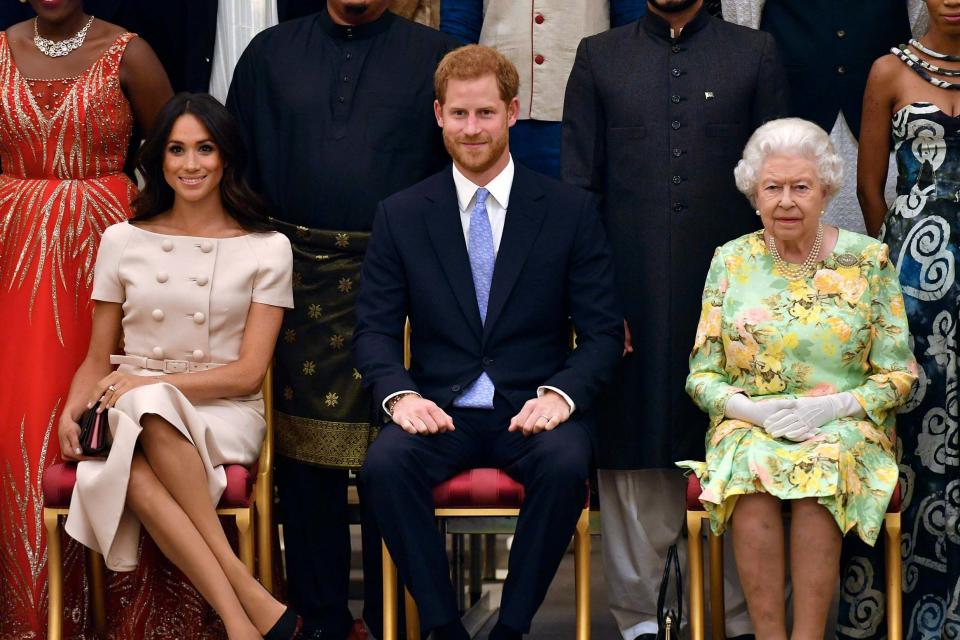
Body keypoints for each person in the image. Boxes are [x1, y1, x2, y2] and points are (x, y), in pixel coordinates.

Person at [354, 45, 623, 640]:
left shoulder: (568, 210)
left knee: (566, 463)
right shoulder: (401, 214)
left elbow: (603, 331)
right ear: (438, 115)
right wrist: (400, 397)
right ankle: (446, 627)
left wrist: (561, 396)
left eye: (484, 113)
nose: (471, 129)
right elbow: (373, 330)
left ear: (512, 113)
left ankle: (511, 628)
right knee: (383, 466)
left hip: (532, 410)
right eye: (459, 114)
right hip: (438, 411)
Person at [226, 2, 457, 637]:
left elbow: (457, 175)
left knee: (398, 452)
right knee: (303, 468)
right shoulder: (269, 55)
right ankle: (321, 621)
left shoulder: (435, 57)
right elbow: (236, 171)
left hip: (402, 281)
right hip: (293, 280)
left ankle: (394, 620)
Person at [560, 1, 789, 637]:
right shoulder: (601, 57)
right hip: (626, 296)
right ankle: (638, 620)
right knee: (633, 448)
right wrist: (596, 307)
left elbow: (778, 186)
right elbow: (579, 193)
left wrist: (767, 305)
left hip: (733, 302)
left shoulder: (754, 53)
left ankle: (741, 618)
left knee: (740, 449)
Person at [57, 93, 297, 640]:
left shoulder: (267, 247)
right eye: (177, 150)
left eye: (205, 149)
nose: (191, 164)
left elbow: (246, 373)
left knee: (143, 410)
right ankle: (243, 615)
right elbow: (97, 358)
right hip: (130, 408)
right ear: (159, 160)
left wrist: (148, 382)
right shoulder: (122, 239)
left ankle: (241, 610)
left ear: (226, 158)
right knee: (134, 442)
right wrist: (71, 410)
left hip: (224, 412)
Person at [678, 117, 917, 639]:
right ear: (754, 194)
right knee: (752, 465)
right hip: (751, 424)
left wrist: (833, 408)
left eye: (800, 187)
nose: (786, 200)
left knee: (819, 466)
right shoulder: (731, 261)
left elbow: (900, 374)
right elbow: (702, 376)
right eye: (773, 187)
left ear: (826, 189)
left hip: (846, 426)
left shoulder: (868, 261)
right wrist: (749, 411)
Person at [0, 1, 172, 636]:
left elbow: (176, 148)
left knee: (102, 410)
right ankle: (33, 611)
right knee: (17, 416)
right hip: (10, 253)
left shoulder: (131, 52)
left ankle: (125, 609)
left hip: (106, 252)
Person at [854, 1, 960, 636]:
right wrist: (891, 277)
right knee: (913, 434)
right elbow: (872, 190)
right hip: (913, 286)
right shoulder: (887, 71)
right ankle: (904, 613)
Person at [439, 0, 646, 178]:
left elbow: (633, 27)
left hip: (587, 110)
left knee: (575, 212)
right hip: (494, 113)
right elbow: (458, 28)